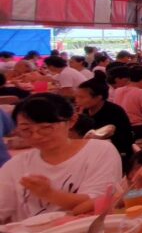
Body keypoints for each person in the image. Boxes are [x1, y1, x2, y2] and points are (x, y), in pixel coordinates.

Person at [0, 94, 122, 222]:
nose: (36, 136)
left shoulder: (99, 151)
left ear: (71, 121)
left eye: (45, 128)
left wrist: (49, 194)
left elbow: (96, 203)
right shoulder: (16, 165)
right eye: (26, 129)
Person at [74, 78, 134, 170]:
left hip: (114, 155)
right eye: (76, 97)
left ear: (99, 97)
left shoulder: (114, 112)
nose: (77, 100)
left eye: (82, 97)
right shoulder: (85, 110)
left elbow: (122, 141)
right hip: (91, 151)